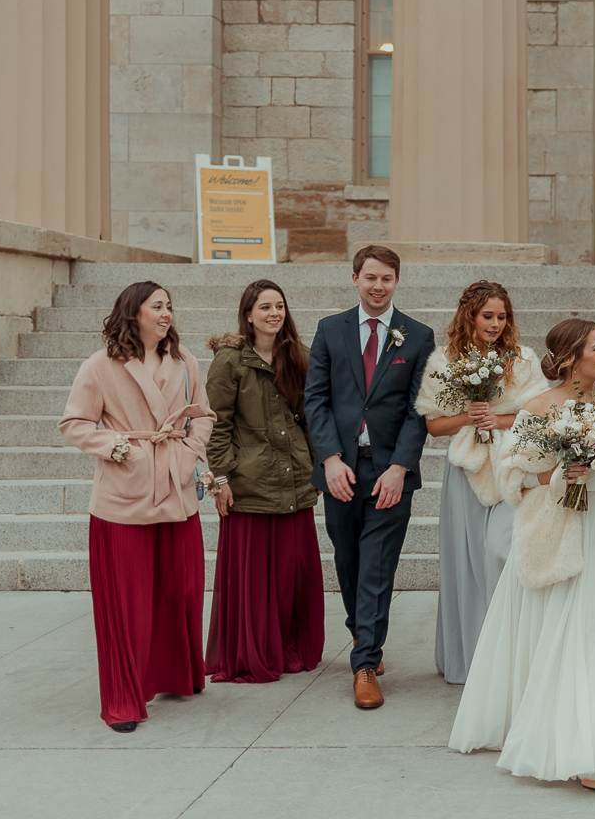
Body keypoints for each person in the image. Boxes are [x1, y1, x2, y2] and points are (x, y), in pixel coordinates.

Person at [450, 319, 595, 791]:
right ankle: (579, 742)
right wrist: (559, 474)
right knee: (567, 626)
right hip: (556, 528)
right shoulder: (537, 407)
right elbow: (512, 479)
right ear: (574, 357)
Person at [58, 281, 214, 731]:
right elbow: (74, 422)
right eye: (157, 306)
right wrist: (118, 448)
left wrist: (188, 454)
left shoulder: (186, 362)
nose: (166, 314)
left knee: (180, 591)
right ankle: (123, 700)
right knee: (128, 604)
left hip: (177, 488)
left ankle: (176, 674)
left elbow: (202, 415)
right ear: (133, 313)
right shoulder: (100, 366)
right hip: (123, 497)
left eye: (169, 306)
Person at [304, 245, 435, 710]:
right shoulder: (329, 330)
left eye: (387, 279)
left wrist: (400, 466)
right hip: (341, 468)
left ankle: (364, 663)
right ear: (355, 279)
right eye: (371, 278)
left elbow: (419, 409)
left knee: (377, 566)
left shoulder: (418, 336)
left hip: (388, 472)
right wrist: (330, 459)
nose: (378, 286)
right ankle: (364, 632)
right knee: (348, 559)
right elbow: (315, 400)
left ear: (397, 282)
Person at [414, 281, 547, 684]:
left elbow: (539, 412)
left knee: (501, 553)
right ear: (469, 316)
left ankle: (510, 655)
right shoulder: (445, 361)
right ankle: (470, 659)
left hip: (511, 466)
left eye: (501, 316)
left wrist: (499, 419)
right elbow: (434, 425)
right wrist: (471, 416)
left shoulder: (523, 359)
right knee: (466, 559)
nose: (494, 323)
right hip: (467, 470)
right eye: (487, 316)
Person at [203, 279, 324, 684]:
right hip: (249, 484)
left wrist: (319, 467)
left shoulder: (300, 357)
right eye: (265, 307)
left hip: (295, 483)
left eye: (279, 306)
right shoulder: (230, 360)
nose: (274, 314)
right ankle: (252, 651)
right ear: (249, 314)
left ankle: (289, 647)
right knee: (253, 581)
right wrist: (220, 478)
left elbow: (311, 420)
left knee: (292, 574)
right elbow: (215, 425)